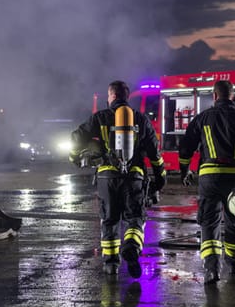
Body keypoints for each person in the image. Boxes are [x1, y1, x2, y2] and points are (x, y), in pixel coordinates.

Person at [69, 80, 166, 277]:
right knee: (135, 218)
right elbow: (154, 153)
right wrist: (159, 178)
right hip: (134, 178)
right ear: (127, 97)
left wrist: (75, 157)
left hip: (106, 177)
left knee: (109, 219)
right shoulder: (140, 119)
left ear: (111, 96)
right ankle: (131, 246)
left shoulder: (99, 117)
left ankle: (111, 264)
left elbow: (77, 138)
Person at [178, 80, 235, 284]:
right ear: (232, 96)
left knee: (209, 222)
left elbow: (186, 146)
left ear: (215, 96)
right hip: (234, 178)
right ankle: (233, 265)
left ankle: (212, 270)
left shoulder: (202, 118)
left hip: (209, 178)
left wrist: (184, 170)